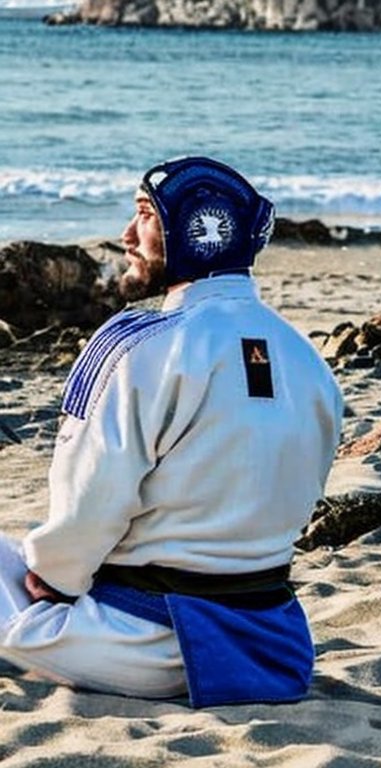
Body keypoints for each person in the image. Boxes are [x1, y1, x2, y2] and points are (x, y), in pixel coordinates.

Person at [0, 156, 344, 707]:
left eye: (144, 216)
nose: (126, 235)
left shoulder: (140, 344)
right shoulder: (309, 361)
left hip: (149, 641)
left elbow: (89, 500)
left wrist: (56, 574)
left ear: (196, 231)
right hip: (272, 644)